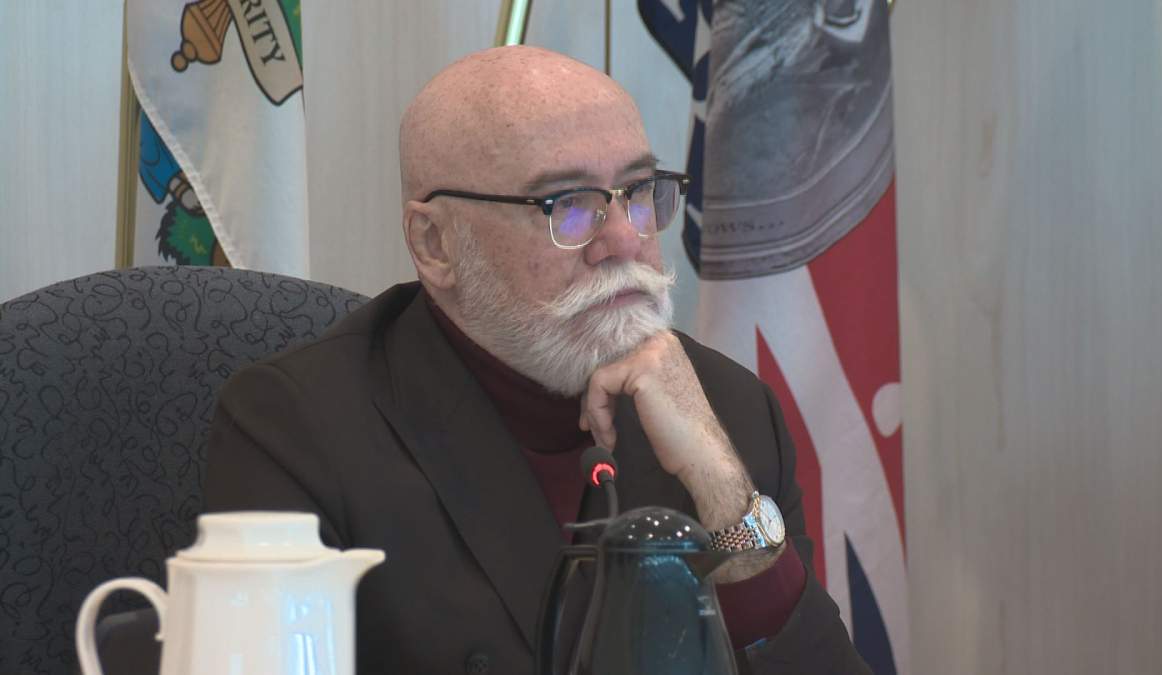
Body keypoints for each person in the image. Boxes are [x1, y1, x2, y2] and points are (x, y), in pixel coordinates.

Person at [204, 45, 868, 674]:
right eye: (568, 205)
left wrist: (723, 488)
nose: (623, 239)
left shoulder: (727, 409)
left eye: (637, 191)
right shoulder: (297, 426)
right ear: (435, 245)